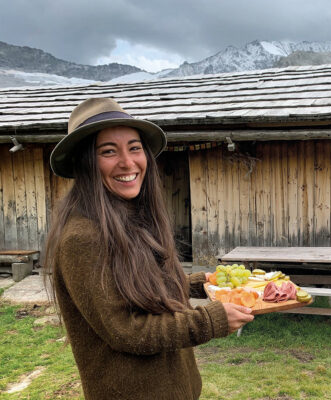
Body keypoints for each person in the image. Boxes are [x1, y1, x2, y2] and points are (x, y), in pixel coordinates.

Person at [43, 97, 254, 400]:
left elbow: (135, 291)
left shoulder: (129, 215)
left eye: (134, 147)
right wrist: (210, 320)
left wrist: (198, 283)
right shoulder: (82, 238)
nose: (128, 163)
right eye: (108, 151)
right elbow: (125, 328)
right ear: (84, 162)